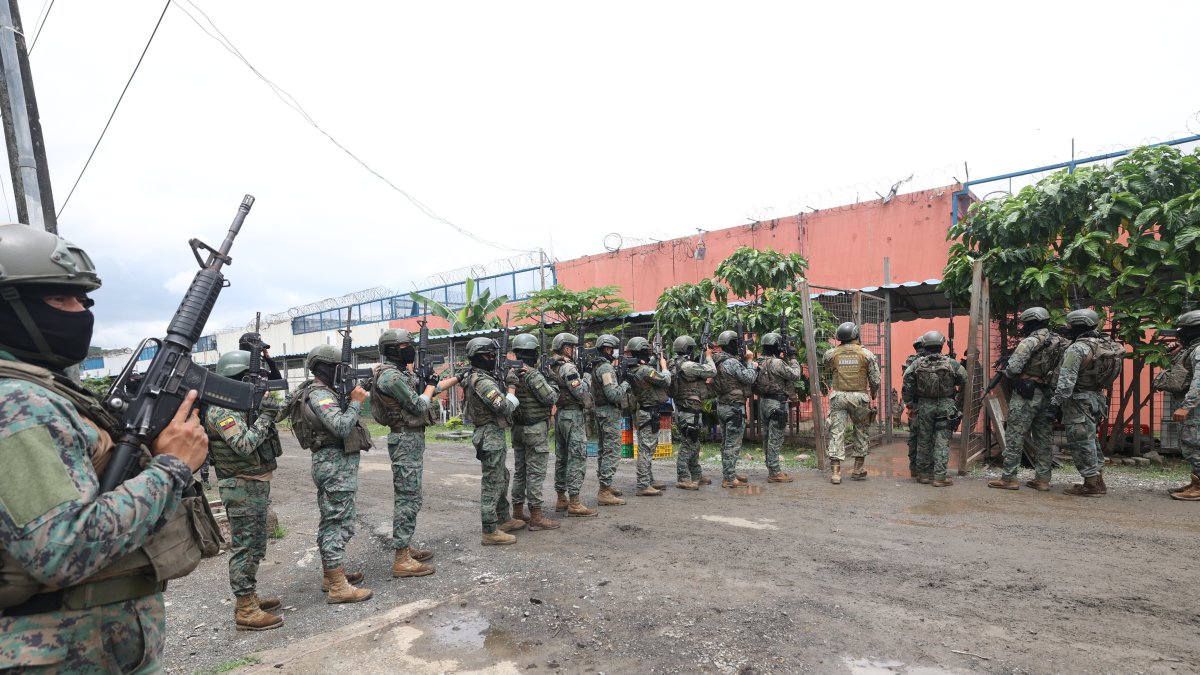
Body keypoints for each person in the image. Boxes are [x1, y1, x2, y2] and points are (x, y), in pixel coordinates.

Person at [0, 223, 209, 671]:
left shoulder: (45, 392)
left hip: (88, 645)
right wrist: (173, 465)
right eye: (61, 299)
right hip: (61, 650)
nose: (80, 312)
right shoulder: (17, 403)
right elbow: (63, 549)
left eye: (83, 299)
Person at [204, 350, 286, 631]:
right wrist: (264, 417)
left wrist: (268, 406)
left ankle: (250, 596)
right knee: (244, 548)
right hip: (239, 487)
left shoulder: (243, 406)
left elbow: (280, 409)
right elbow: (243, 444)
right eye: (248, 378)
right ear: (235, 379)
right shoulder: (222, 409)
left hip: (254, 484)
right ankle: (245, 609)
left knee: (256, 546)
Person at [287, 344, 374, 602]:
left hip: (334, 465)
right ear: (325, 367)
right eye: (339, 367)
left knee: (331, 520)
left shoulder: (326, 391)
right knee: (339, 523)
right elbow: (341, 425)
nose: (343, 372)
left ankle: (331, 575)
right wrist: (357, 403)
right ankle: (338, 586)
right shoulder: (320, 394)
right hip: (334, 467)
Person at [372, 329, 439, 577]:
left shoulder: (400, 374)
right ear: (392, 349)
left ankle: (406, 545)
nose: (409, 349)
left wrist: (452, 380)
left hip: (410, 438)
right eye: (404, 346)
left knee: (412, 495)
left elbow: (428, 391)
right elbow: (419, 403)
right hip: (404, 439)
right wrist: (431, 385)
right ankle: (401, 558)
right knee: (407, 497)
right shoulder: (390, 377)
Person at [987, 307, 1069, 492]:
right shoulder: (1061, 341)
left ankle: (1009, 478)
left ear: (1031, 322)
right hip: (1048, 393)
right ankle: (1042, 479)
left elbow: (1014, 369)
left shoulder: (1030, 341)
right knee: (1043, 436)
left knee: (1015, 434)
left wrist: (1006, 369)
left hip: (1026, 394)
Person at [455, 337, 525, 544]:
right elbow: (504, 407)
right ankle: (489, 530)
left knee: (501, 477)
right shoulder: (483, 381)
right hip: (489, 435)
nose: (493, 359)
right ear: (478, 357)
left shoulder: (482, 376)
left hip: (493, 433)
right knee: (492, 483)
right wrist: (511, 388)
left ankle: (503, 518)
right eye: (489, 355)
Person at [1051, 309, 1125, 497]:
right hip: (1096, 398)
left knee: (1081, 442)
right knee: (1091, 440)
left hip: (1077, 401)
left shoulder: (1078, 348)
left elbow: (1066, 382)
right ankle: (1097, 481)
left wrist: (1054, 405)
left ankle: (1091, 484)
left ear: (1076, 325)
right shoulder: (1106, 344)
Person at [506, 333, 561, 529]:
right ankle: (536, 517)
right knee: (536, 473)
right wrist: (553, 380)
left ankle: (518, 511)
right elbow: (550, 398)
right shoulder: (532, 374)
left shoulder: (510, 373)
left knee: (520, 472)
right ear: (533, 352)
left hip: (517, 429)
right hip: (535, 429)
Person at [902, 331, 966, 487]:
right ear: (941, 344)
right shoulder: (952, 363)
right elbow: (964, 379)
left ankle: (923, 475)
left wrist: (909, 404)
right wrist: (958, 401)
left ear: (924, 345)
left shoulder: (917, 364)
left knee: (924, 440)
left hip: (924, 406)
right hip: (946, 405)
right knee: (942, 442)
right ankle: (939, 477)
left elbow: (907, 383)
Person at [822, 322, 881, 484]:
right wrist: (874, 393)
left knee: (836, 432)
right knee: (861, 431)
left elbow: (826, 365)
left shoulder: (831, 354)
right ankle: (858, 469)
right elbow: (875, 379)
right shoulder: (866, 354)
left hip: (838, 396)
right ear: (856, 335)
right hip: (859, 397)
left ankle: (835, 473)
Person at [548, 333, 598, 516]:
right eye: (574, 347)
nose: (576, 351)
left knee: (561, 458)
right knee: (577, 457)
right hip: (572, 415)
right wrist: (586, 375)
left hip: (560, 414)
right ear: (566, 348)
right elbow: (581, 392)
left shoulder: (552, 365)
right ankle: (575, 503)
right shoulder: (568, 367)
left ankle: (561, 498)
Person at [1154, 310, 1200, 500]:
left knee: (1195, 444)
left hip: (1195, 407)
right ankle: (1196, 481)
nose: (1180, 333)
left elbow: (1199, 381)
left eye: (1184, 330)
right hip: (1193, 405)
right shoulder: (1193, 348)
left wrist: (1187, 406)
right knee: (1191, 443)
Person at [753, 332, 803, 483]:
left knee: (767, 437)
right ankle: (774, 472)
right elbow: (795, 375)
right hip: (777, 404)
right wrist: (793, 357)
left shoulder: (758, 361)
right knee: (775, 438)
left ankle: (771, 467)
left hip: (764, 402)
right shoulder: (777, 363)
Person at [626, 336, 672, 496]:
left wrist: (655, 358)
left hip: (642, 411)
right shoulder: (645, 371)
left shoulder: (635, 369)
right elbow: (665, 381)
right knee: (646, 449)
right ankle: (643, 484)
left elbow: (648, 368)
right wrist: (664, 366)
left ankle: (649, 480)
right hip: (648, 412)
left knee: (647, 447)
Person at [670, 335, 716, 490]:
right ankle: (683, 477)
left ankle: (696, 474)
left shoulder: (675, 363)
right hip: (689, 409)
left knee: (694, 443)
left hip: (687, 409)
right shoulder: (687, 366)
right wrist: (708, 357)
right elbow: (711, 371)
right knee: (688, 443)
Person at [711, 329, 757, 487]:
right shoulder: (731, 362)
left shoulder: (716, 361)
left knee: (726, 442)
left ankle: (729, 473)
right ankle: (729, 478)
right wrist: (750, 361)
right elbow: (749, 378)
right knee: (733, 444)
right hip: (734, 407)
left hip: (722, 405)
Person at [589, 334, 631, 505]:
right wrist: (626, 382)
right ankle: (604, 491)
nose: (613, 353)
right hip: (609, 412)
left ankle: (606, 485)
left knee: (603, 450)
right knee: (612, 450)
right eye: (612, 349)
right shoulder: (605, 368)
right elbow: (613, 394)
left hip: (601, 411)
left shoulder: (597, 365)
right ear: (607, 348)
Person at [902, 337, 925, 478]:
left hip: (915, 404)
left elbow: (906, 386)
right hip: (933, 402)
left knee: (914, 436)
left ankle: (914, 468)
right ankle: (929, 468)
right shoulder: (939, 360)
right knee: (930, 436)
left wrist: (909, 404)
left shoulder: (910, 361)